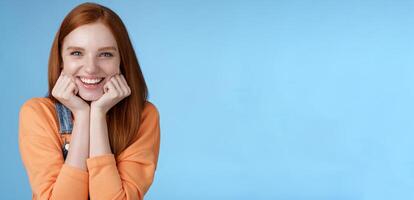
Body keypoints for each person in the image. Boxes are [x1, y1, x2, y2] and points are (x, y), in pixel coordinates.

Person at [18, 2, 160, 199]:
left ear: (122, 60)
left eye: (105, 54)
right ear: (61, 60)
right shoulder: (38, 113)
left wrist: (98, 114)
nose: (91, 68)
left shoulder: (143, 115)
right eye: (77, 53)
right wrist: (83, 116)